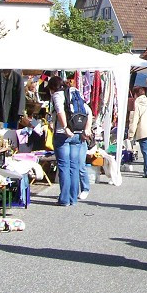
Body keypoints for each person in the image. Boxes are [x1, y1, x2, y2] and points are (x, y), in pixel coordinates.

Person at [48, 75, 89, 206]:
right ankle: (73, 198)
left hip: (63, 134)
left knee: (64, 166)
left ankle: (64, 199)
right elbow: (89, 112)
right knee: (74, 166)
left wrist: (65, 127)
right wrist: (86, 129)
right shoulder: (75, 92)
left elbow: (60, 112)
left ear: (52, 87)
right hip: (77, 133)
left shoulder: (57, 95)